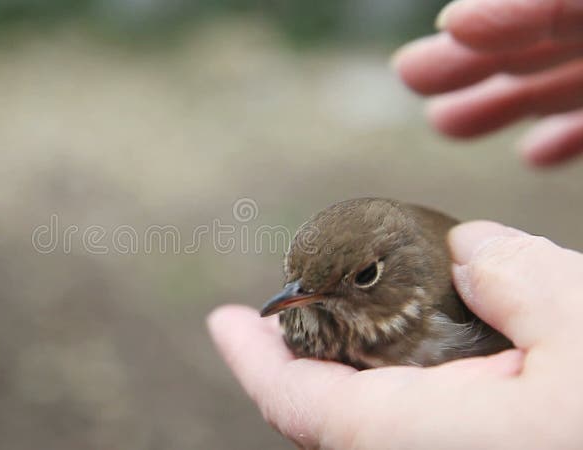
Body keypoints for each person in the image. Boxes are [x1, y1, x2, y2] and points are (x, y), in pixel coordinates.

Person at [207, 1, 583, 448]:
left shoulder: (448, 305)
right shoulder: (304, 312)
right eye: (295, 281)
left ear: (399, 269)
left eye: (365, 277)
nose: (295, 298)